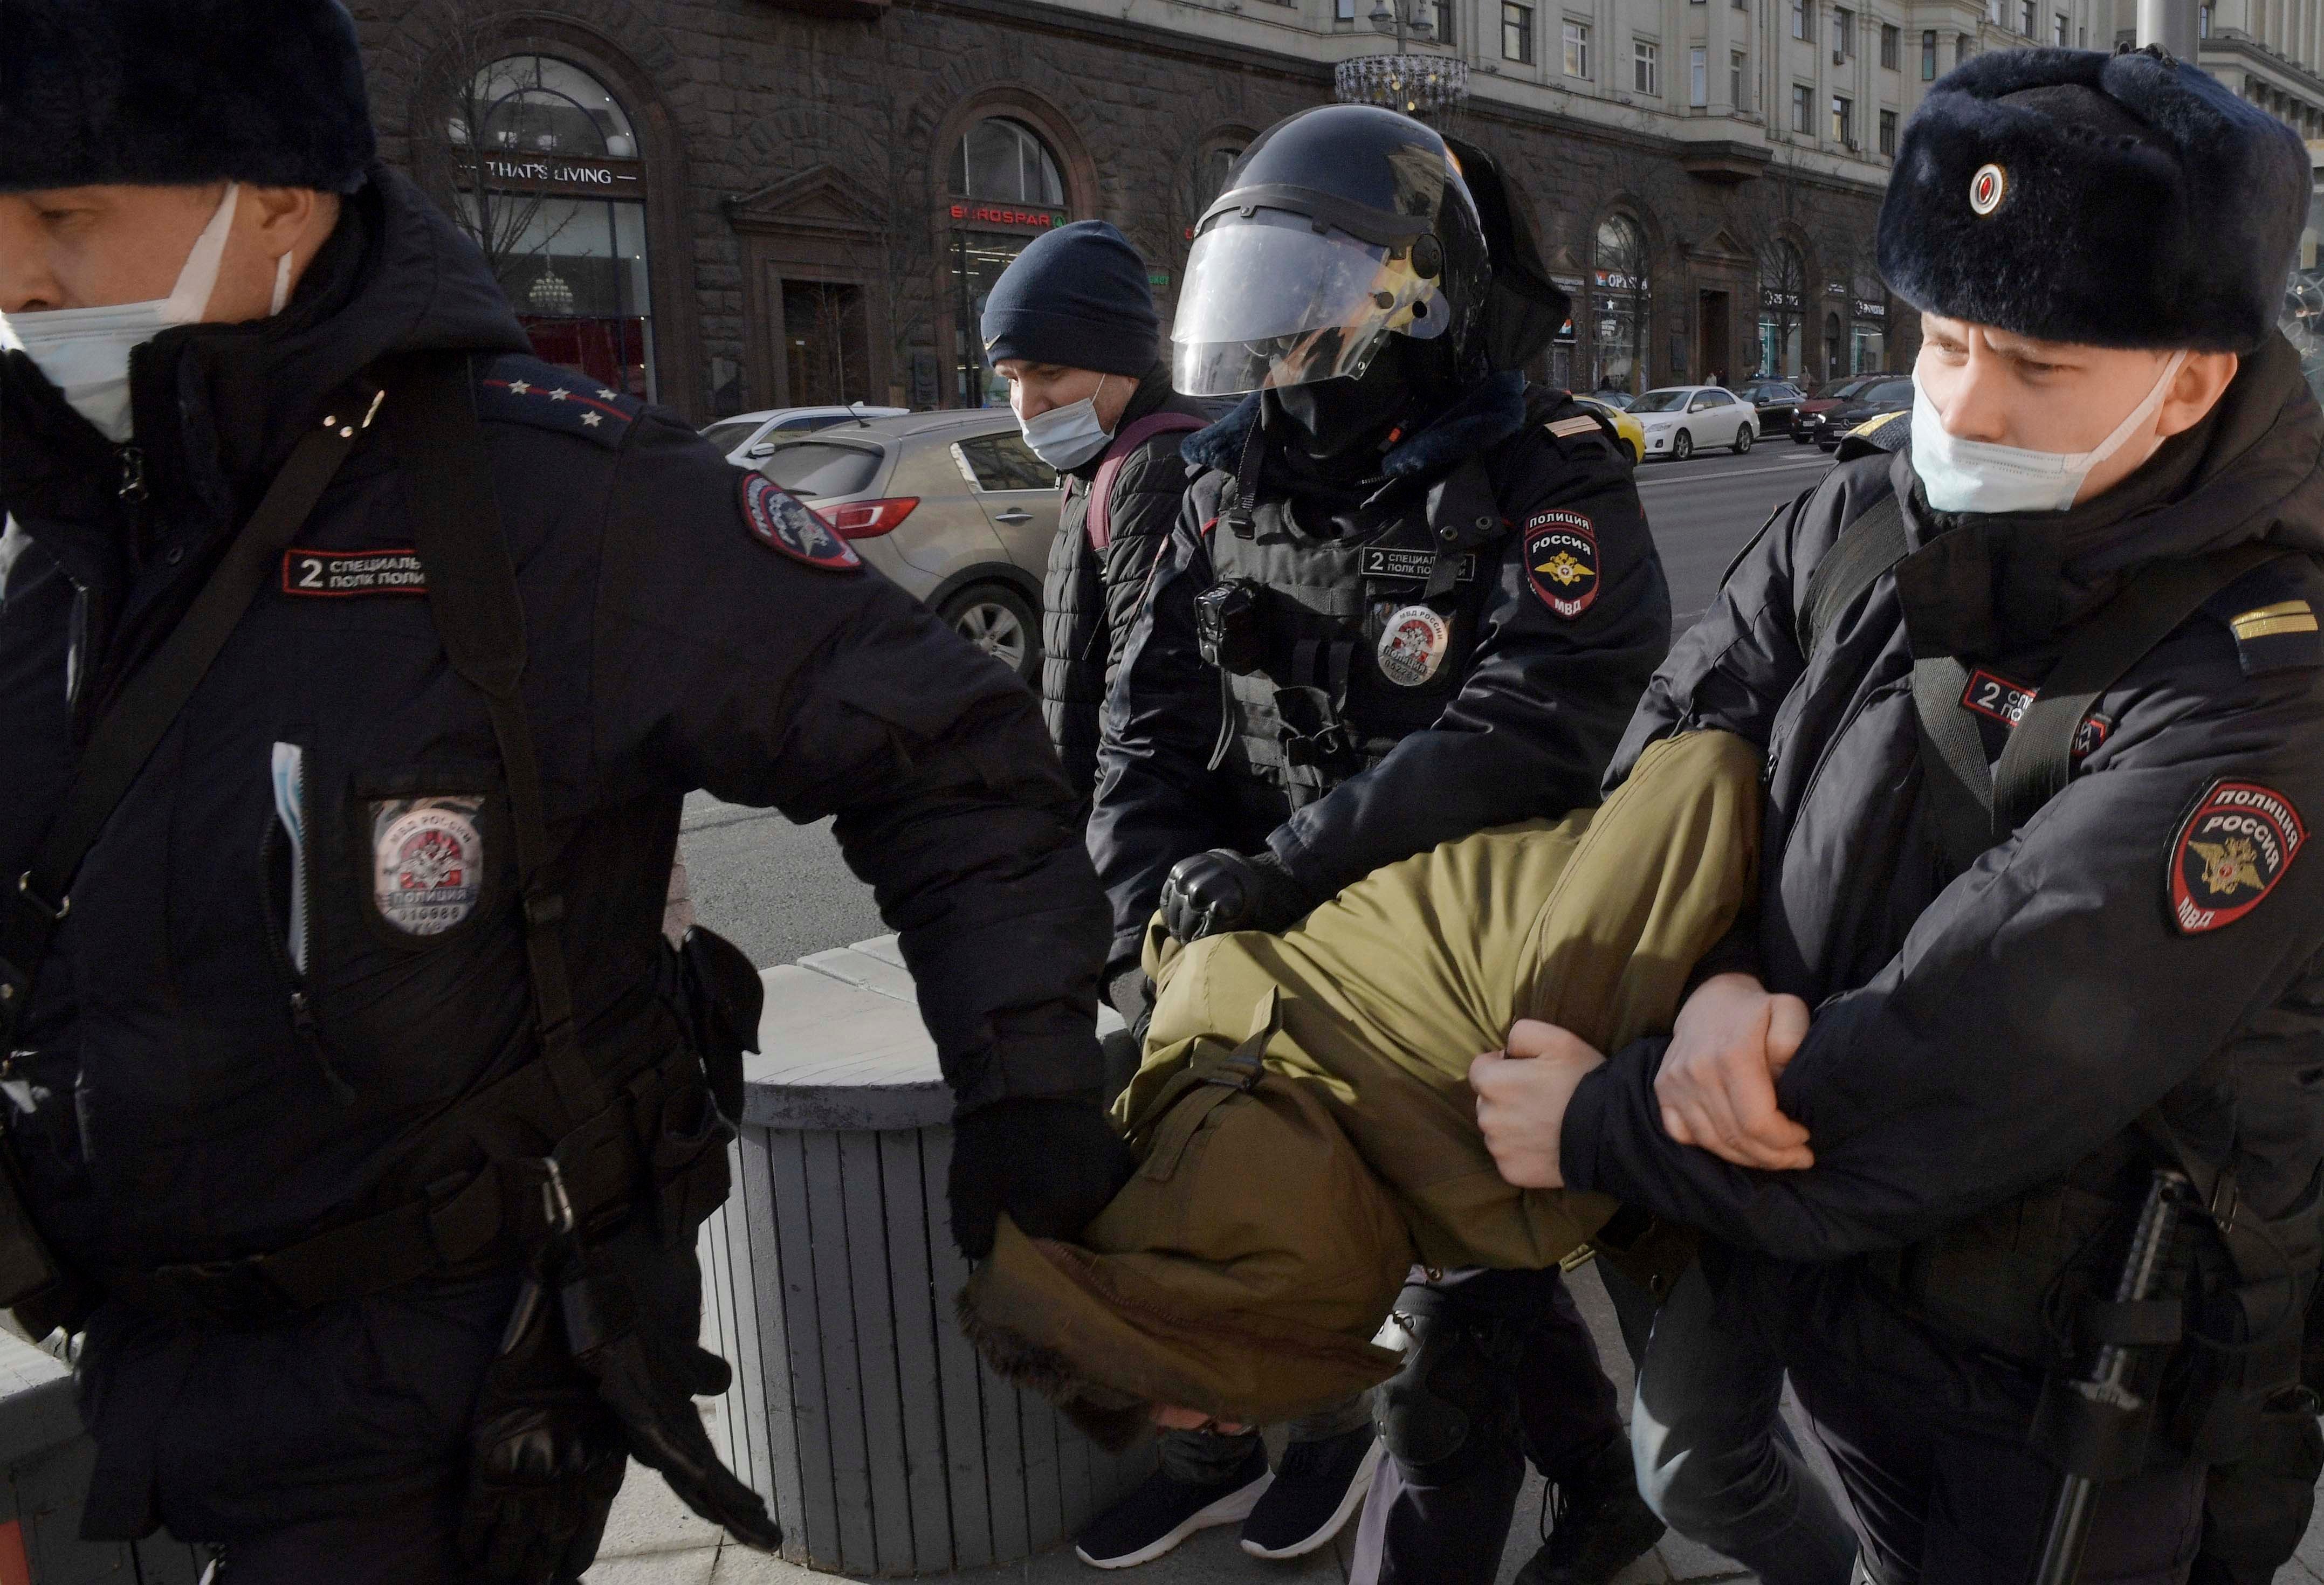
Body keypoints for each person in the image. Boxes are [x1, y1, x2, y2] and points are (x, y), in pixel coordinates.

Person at [0, 3, 1129, 1581]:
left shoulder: (557, 505)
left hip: (446, 1387)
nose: (18, 275)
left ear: (272, 201)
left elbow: (948, 754)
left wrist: (1023, 1090)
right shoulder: (50, 525)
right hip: (131, 1356)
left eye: (60, 213)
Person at [1469, 45, 2324, 1585]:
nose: (1962, 402)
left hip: (2072, 1383)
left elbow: (1981, 1043)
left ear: (2192, 376)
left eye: (2037, 368)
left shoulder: (2262, 675)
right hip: (1843, 1291)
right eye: (1939, 341)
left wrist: (1600, 1119)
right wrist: (1719, 969)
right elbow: (1688, 735)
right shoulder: (1866, 511)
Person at [1087, 102, 1670, 1583]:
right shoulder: (1216, 481)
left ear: (1412, 300)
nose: (1279, 354)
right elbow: (1140, 736)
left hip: (1455, 970)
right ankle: (1605, 1501)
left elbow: (1529, 720)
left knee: (1447, 1336)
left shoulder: (1543, 474)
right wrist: (1137, 934)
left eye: (1307, 310)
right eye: (1257, 313)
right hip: (1272, 959)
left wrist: (1293, 866)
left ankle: (1488, 1537)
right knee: (1472, 1273)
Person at [961, 728, 1757, 1438]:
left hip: (1803, 1074)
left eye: (1206, 1399)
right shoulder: (1191, 1048)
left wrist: (1714, 1000)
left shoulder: (1510, 1044)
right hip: (1689, 1139)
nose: (1231, 1427)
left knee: (1707, 1467)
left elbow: (1710, 776)